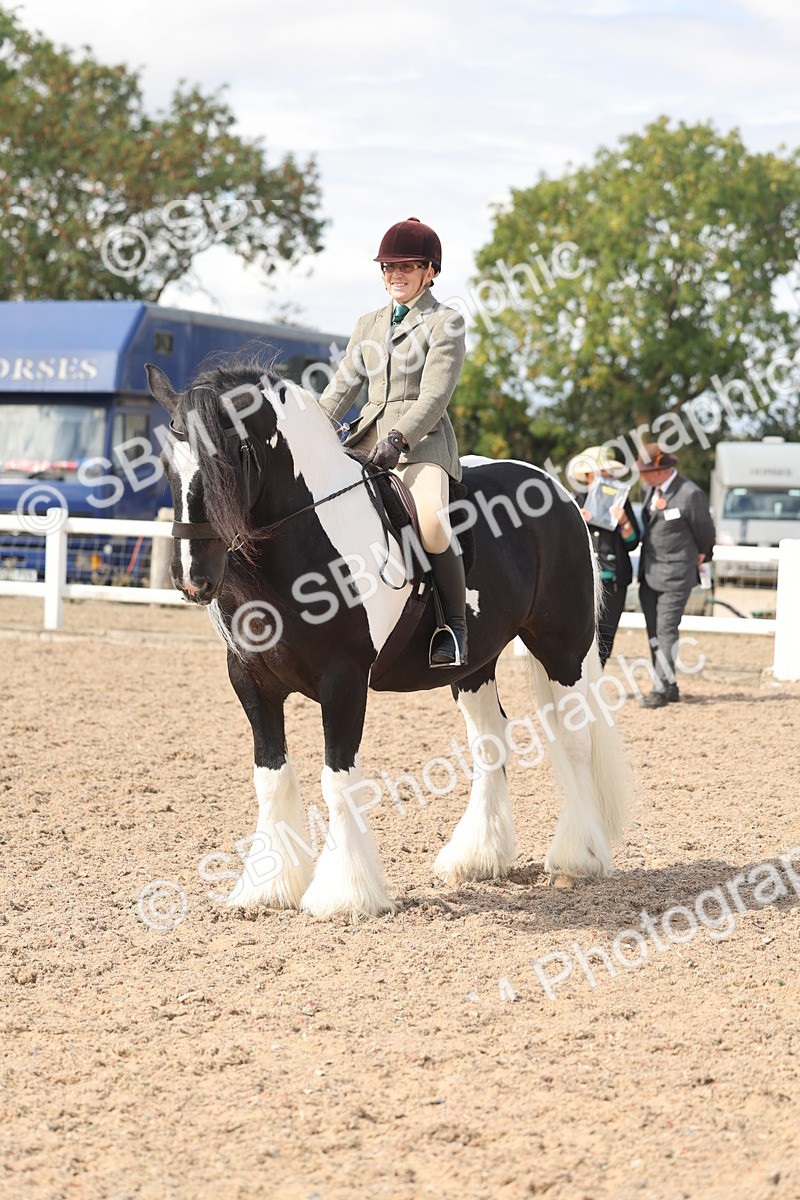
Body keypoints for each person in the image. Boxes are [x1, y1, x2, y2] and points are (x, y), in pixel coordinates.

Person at [318, 217, 468, 668]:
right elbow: (342, 388)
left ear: (430, 271)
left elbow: (435, 395)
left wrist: (400, 437)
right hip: (365, 441)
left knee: (433, 524)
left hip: (421, 446)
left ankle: (453, 626)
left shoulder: (445, 322)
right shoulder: (368, 324)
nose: (395, 275)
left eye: (406, 267)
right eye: (388, 267)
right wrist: (313, 429)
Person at [636, 444, 716, 708]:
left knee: (666, 629)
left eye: (645, 471)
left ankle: (660, 689)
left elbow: (706, 531)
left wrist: (704, 553)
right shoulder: (649, 490)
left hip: (676, 573)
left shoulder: (690, 493)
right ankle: (669, 684)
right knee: (654, 632)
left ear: (660, 470)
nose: (642, 476)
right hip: (649, 572)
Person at [567, 445, 640, 667]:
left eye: (608, 471)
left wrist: (624, 521)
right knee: (579, 633)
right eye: (602, 470)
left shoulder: (621, 500)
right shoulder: (574, 501)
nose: (607, 475)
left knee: (605, 636)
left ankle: (596, 676)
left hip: (613, 579)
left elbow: (632, 542)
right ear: (589, 474)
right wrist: (575, 521)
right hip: (582, 580)